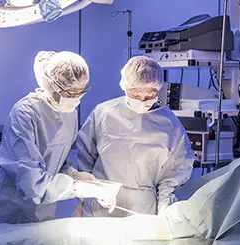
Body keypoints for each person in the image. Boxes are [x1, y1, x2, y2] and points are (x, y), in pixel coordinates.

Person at [0, 51, 120, 227]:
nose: (75, 99)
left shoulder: (70, 114)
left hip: (43, 208)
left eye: (80, 92)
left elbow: (56, 161)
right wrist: (78, 188)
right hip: (10, 206)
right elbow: (31, 182)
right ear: (50, 84)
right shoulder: (25, 113)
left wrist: (73, 174)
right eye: (69, 93)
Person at [74, 56, 194, 217]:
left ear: (158, 89)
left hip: (142, 207)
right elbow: (85, 159)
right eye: (136, 95)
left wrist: (165, 209)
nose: (142, 100)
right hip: (101, 202)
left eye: (149, 95)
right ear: (125, 87)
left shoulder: (169, 125)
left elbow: (174, 173)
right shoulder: (104, 113)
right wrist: (82, 200)